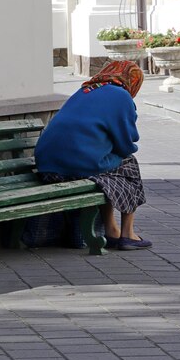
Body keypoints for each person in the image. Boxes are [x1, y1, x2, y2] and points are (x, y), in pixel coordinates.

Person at [34, 60, 152, 251]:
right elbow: (127, 142)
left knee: (106, 174)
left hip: (47, 166)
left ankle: (111, 230)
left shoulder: (85, 90)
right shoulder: (121, 96)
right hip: (76, 166)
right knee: (129, 163)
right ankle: (128, 234)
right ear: (133, 81)